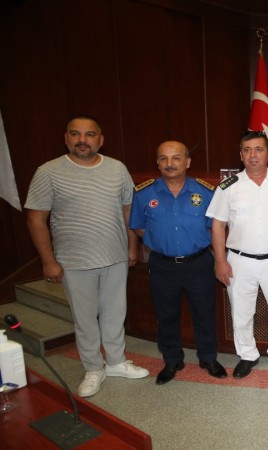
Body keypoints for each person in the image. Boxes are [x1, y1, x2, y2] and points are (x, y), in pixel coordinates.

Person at [25, 114, 148, 398]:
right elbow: (35, 219)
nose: (83, 140)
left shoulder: (117, 168)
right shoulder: (48, 171)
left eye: (90, 134)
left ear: (100, 140)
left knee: (115, 313)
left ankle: (116, 362)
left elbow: (129, 211)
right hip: (74, 260)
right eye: (75, 134)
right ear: (66, 138)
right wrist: (48, 261)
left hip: (115, 256)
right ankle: (93, 368)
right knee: (85, 319)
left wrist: (132, 247)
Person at [206, 131, 268, 378]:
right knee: (241, 312)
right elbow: (217, 225)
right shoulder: (229, 187)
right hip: (239, 260)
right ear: (240, 155)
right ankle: (247, 355)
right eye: (247, 150)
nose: (253, 155)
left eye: (258, 149)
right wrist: (220, 260)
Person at [129, 141, 226, 384]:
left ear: (187, 162)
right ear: (157, 163)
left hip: (198, 263)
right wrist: (161, 241)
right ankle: (172, 359)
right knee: (166, 315)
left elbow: (215, 228)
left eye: (176, 158)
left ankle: (208, 357)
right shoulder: (144, 193)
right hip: (163, 265)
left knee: (205, 313)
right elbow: (138, 226)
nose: (169, 163)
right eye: (163, 158)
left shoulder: (206, 192)